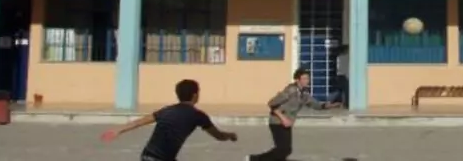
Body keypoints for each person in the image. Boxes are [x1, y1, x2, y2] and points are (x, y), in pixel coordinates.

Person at [100, 79, 237, 161]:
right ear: (195, 95)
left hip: (147, 156)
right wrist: (230, 135)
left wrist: (118, 130)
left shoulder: (166, 111)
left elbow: (139, 122)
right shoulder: (198, 115)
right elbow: (218, 136)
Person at [247, 67, 341, 161]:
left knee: (286, 150)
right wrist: (283, 118)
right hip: (277, 122)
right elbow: (272, 104)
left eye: (308, 78)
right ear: (297, 80)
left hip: (287, 123)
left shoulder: (304, 93)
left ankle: (256, 159)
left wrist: (328, 106)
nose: (307, 81)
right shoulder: (290, 91)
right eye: (304, 78)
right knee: (282, 149)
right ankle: (254, 159)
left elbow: (315, 105)